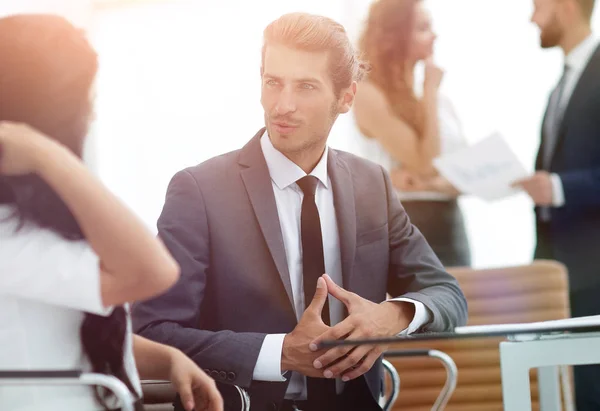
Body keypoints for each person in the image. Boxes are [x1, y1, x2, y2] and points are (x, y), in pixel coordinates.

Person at [132, 12, 467, 411]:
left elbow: (447, 294)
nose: (283, 105)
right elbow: (150, 331)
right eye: (273, 83)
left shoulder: (371, 184)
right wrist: (279, 353)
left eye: (306, 86)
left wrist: (392, 316)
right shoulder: (200, 190)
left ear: (346, 98)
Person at [0, 14, 222, 411]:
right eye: (87, 103)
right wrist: (42, 151)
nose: (92, 116)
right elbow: (153, 272)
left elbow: (70, 327)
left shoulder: (33, 217)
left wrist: (169, 359)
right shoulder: (6, 232)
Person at [513, 0, 600, 409]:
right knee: (567, 390)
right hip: (557, 266)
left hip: (593, 267)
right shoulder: (561, 84)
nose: (532, 18)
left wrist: (560, 187)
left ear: (565, 6)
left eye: (537, 6)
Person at [352, 0, 471, 267]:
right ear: (394, 35)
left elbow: (465, 173)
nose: (434, 35)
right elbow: (425, 164)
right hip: (410, 225)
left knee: (461, 304)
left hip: (451, 223)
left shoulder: (441, 101)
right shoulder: (370, 95)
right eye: (423, 28)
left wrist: (432, 184)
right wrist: (429, 90)